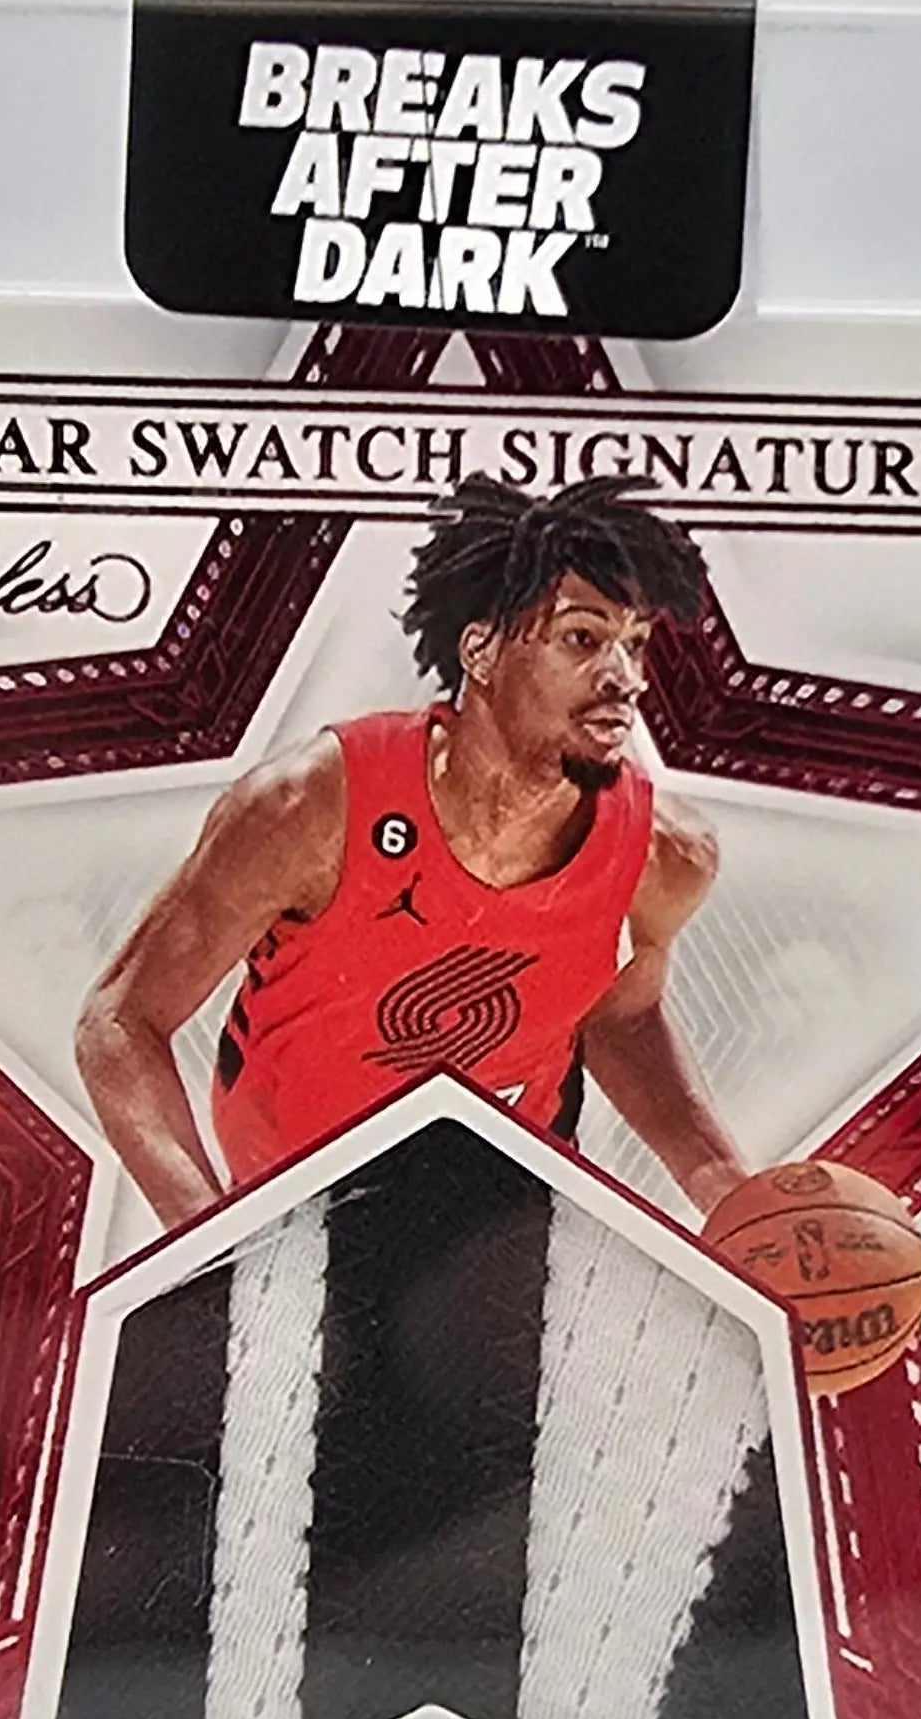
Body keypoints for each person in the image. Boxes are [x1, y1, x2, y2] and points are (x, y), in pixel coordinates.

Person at [77, 474, 749, 1231]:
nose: (624, 678)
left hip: (498, 1221)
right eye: (582, 639)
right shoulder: (307, 809)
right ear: (482, 651)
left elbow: (620, 1017)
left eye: (636, 644)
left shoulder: (665, 856)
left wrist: (730, 1192)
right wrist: (210, 1245)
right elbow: (121, 1024)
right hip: (291, 1206)